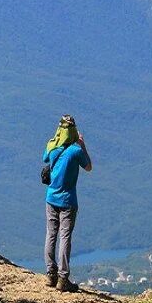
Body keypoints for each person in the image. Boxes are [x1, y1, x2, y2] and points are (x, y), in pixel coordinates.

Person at [42, 114, 92, 292]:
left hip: (51, 198)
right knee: (65, 237)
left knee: (51, 234)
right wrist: (82, 144)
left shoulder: (53, 147)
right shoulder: (75, 151)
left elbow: (45, 158)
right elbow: (88, 167)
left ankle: (50, 274)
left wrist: (55, 139)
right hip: (68, 201)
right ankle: (63, 279)